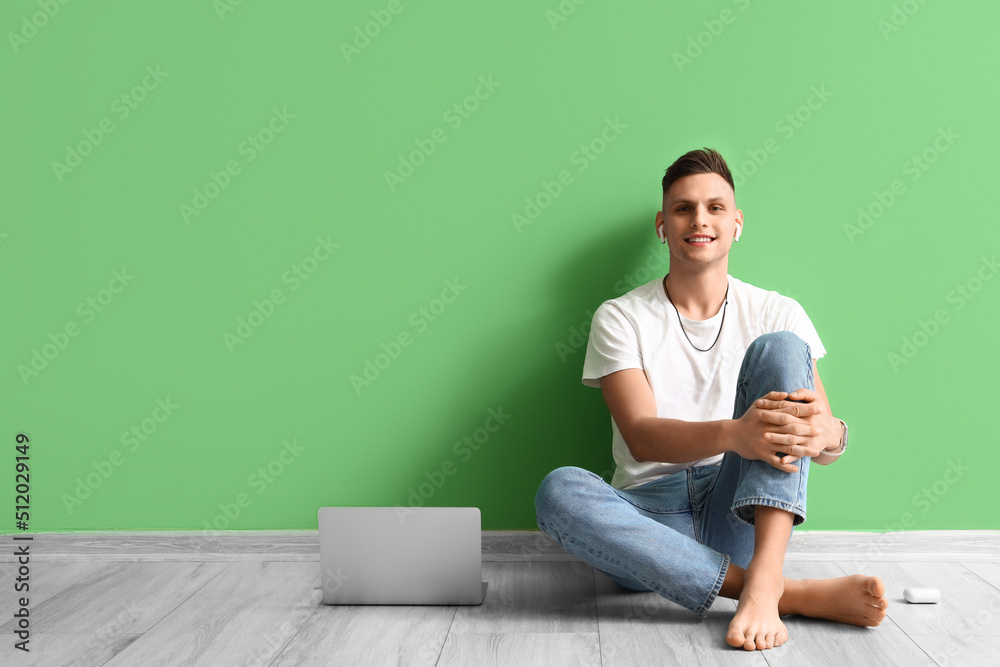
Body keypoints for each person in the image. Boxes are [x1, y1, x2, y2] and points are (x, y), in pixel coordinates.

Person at [534, 148, 889, 651]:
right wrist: (735, 433)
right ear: (663, 224)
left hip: (741, 508)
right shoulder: (620, 317)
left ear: (737, 223)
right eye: (683, 208)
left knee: (783, 347)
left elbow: (821, 440)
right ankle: (782, 593)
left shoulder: (777, 310)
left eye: (715, 207)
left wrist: (832, 432)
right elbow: (640, 437)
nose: (699, 220)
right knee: (558, 492)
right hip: (649, 523)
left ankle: (764, 579)